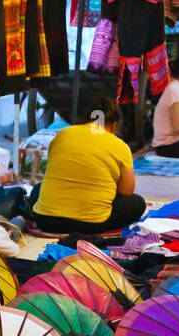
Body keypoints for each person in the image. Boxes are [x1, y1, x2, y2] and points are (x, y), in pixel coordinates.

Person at [26, 97, 146, 235]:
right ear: (114, 124)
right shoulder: (120, 146)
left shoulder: (63, 134)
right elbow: (126, 192)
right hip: (90, 224)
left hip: (47, 221)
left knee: (38, 189)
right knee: (137, 203)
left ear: (87, 118)